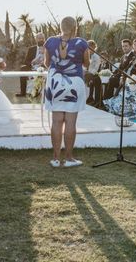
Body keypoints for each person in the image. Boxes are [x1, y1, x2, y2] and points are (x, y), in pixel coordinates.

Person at [44, 16, 90, 168]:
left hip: (55, 82)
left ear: (61, 26)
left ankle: (56, 159)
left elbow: (46, 63)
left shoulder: (50, 41)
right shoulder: (82, 43)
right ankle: (69, 158)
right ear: (75, 27)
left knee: (57, 121)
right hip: (74, 82)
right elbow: (86, 64)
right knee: (71, 122)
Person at [85, 40, 103, 108]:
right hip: (87, 73)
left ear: (94, 48)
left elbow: (96, 68)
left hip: (94, 74)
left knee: (92, 79)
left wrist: (90, 73)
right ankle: (88, 97)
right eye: (88, 48)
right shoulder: (87, 55)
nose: (89, 50)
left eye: (91, 48)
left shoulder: (96, 57)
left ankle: (94, 99)